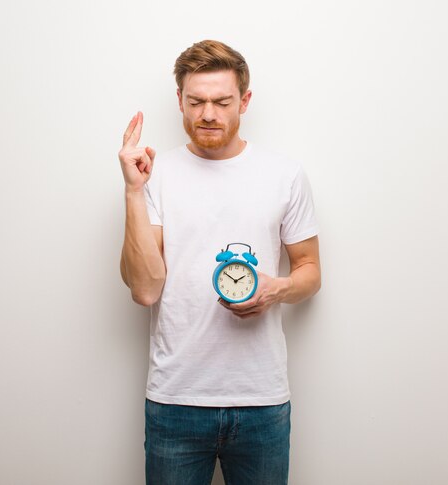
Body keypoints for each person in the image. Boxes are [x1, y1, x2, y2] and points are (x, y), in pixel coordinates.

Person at [118, 39, 322, 485]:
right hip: (176, 400)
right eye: (196, 101)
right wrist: (133, 191)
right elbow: (145, 289)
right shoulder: (157, 176)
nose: (208, 113)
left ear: (244, 101)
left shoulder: (283, 175)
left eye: (221, 101)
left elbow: (310, 272)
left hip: (262, 401)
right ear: (180, 101)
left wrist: (276, 289)